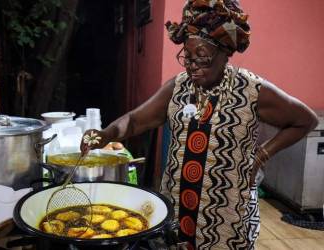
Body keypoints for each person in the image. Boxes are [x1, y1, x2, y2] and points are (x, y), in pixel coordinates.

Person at [80, 0, 318, 249]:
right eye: (188, 56)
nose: (192, 65)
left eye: (202, 58)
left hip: (227, 214)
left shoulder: (250, 90)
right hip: (179, 206)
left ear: (224, 52)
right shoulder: (179, 86)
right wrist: (105, 134)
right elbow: (135, 120)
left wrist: (261, 156)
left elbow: (305, 121)